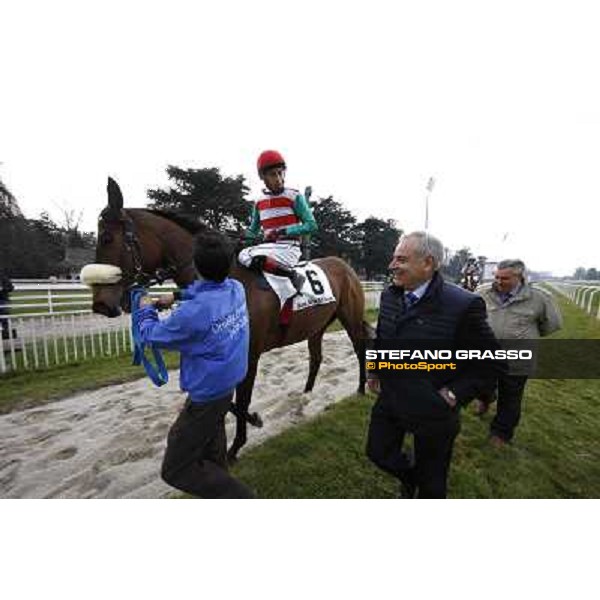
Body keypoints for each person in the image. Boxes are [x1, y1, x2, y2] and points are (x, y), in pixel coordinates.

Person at [366, 232, 502, 499]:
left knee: (433, 486)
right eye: (394, 258)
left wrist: (455, 394)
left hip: (434, 408)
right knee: (378, 453)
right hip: (391, 397)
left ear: (427, 263)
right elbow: (382, 336)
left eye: (401, 259)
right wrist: (375, 368)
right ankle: (410, 479)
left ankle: (420, 487)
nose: (392, 265)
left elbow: (490, 361)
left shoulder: (464, 304)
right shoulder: (390, 295)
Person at [135, 230, 254, 498]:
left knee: (175, 468)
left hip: (208, 396)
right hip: (226, 386)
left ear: (196, 266)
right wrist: (177, 296)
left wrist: (144, 309)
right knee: (213, 454)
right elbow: (206, 294)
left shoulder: (196, 312)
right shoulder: (236, 288)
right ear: (230, 264)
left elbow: (150, 334)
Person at [475, 259, 562, 446]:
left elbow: (550, 325)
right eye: (496, 277)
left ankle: (501, 433)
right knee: (481, 384)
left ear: (520, 277)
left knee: (511, 396)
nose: (498, 281)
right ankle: (486, 397)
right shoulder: (483, 293)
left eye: (504, 278)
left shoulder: (540, 298)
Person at [238, 150, 318, 293]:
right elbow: (253, 231)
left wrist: (283, 232)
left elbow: (311, 225)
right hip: (268, 249)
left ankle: (293, 276)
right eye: (273, 175)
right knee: (240, 254)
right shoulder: (259, 202)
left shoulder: (294, 196)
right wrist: (242, 238)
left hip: (288, 248)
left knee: (251, 257)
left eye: (280, 173)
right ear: (263, 177)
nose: (279, 179)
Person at [0, 269, 14, 340]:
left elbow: (11, 288)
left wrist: (3, 288)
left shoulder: (3, 278)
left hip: (3, 300)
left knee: (4, 318)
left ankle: (5, 334)